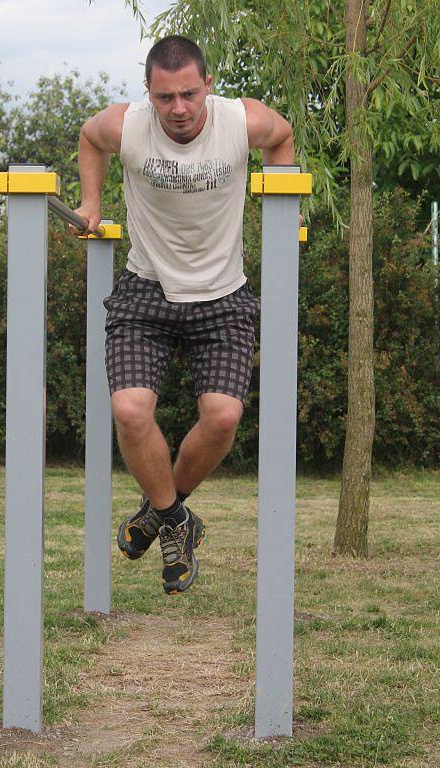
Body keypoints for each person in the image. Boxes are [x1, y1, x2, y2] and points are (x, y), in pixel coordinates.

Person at [73, 35, 296, 595]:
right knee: (129, 409)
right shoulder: (128, 126)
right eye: (165, 97)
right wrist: (92, 203)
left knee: (222, 416)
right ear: (147, 92)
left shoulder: (241, 122)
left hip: (223, 293)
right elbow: (89, 137)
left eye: (188, 95)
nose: (178, 109)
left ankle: (158, 513)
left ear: (208, 87)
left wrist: (279, 197)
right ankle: (177, 522)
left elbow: (284, 136)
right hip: (146, 288)